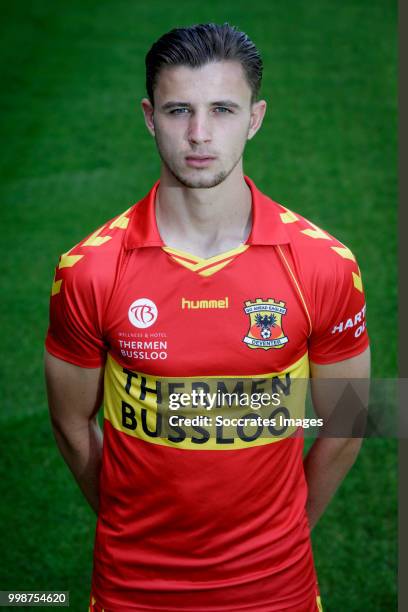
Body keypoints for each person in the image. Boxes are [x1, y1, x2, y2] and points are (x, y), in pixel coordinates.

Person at [44, 23, 370, 612]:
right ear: (149, 117)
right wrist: (128, 522)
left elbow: (350, 420)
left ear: (255, 117)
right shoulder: (89, 270)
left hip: (277, 585)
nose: (198, 134)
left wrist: (287, 532)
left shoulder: (324, 263)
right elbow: (71, 424)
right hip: (132, 586)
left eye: (222, 109)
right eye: (178, 110)